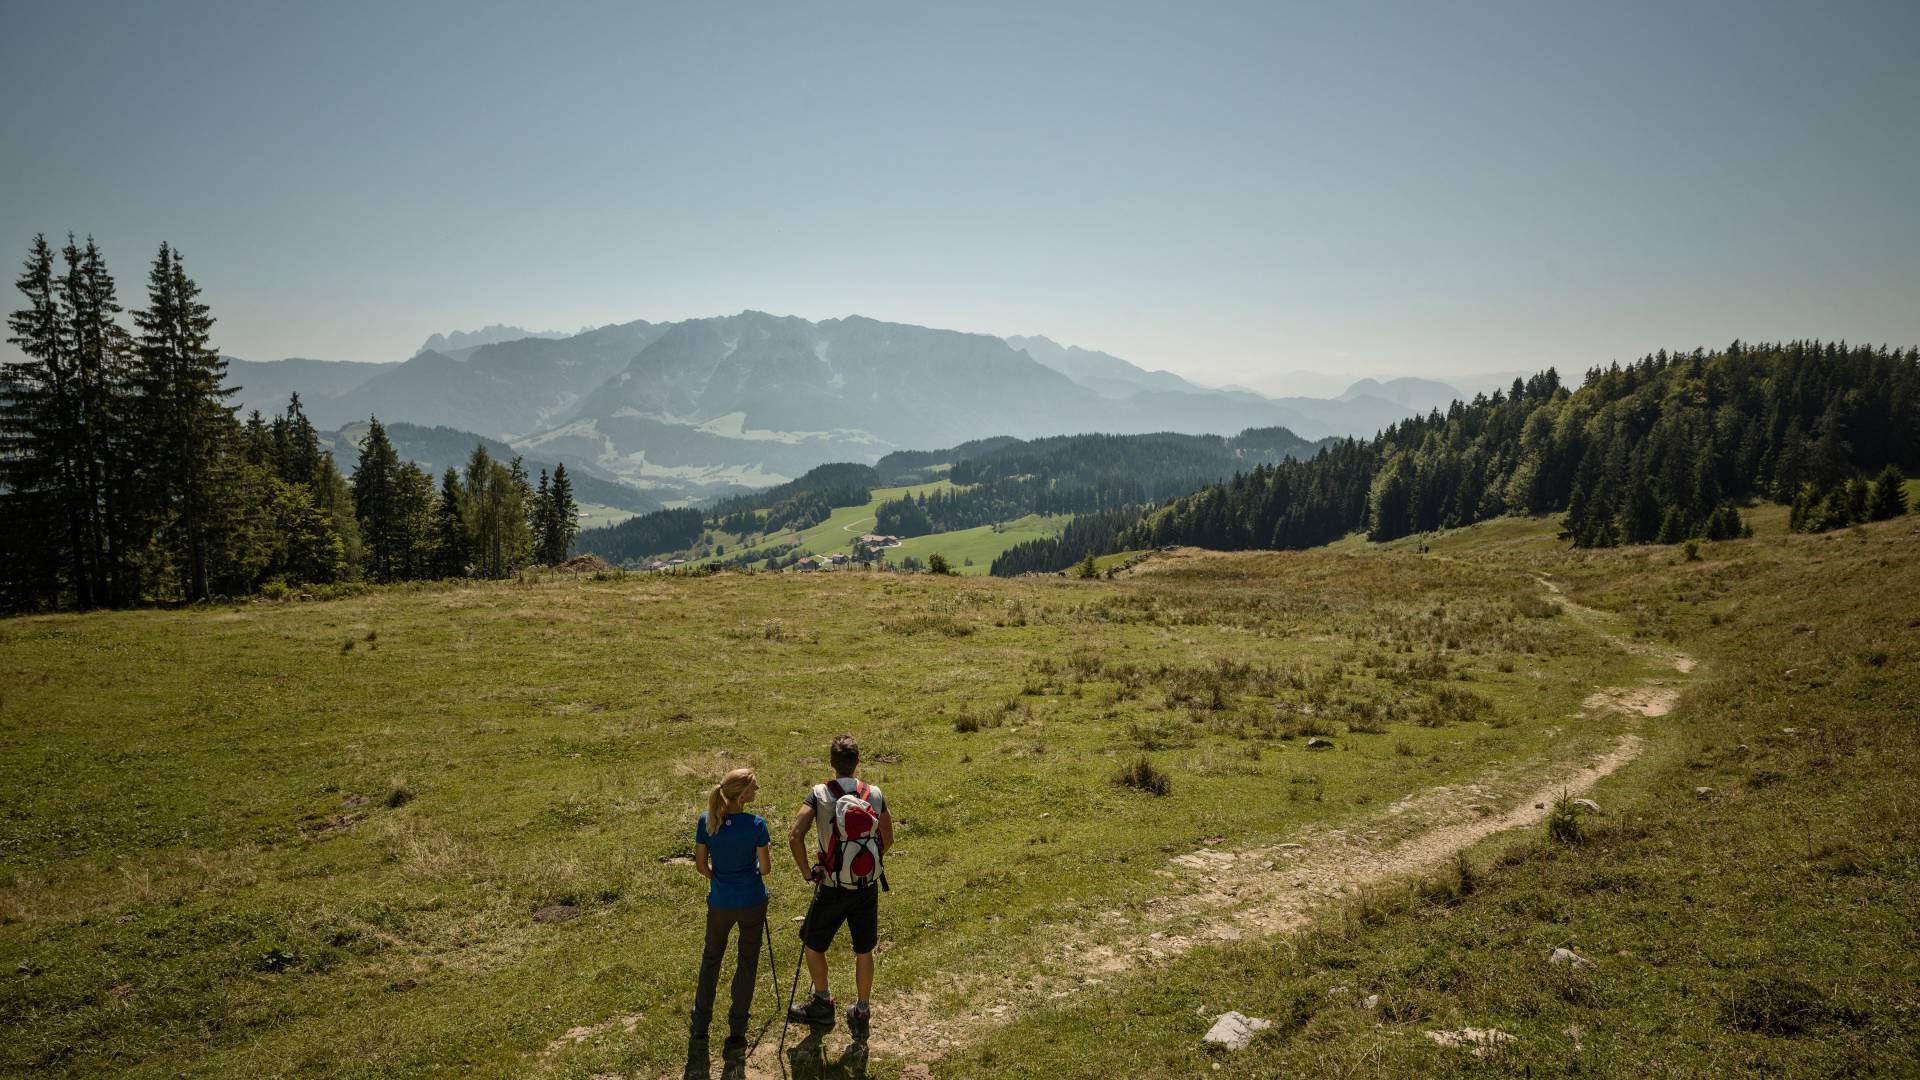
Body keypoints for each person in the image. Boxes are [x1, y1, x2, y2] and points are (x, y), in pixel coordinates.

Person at [786, 734, 893, 1040]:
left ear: (831, 764)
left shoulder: (819, 793)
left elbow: (795, 835)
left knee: (813, 943)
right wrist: (864, 863)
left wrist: (810, 873)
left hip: (831, 885)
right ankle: (861, 1010)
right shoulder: (874, 793)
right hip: (866, 886)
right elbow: (888, 836)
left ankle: (822, 1001)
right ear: (857, 761)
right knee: (864, 950)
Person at [691, 767, 772, 1051]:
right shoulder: (756, 825)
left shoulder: (706, 821)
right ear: (741, 795)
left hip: (720, 902)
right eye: (753, 788)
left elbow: (702, 866)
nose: (757, 791)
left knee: (711, 958)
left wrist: (720, 878)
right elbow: (766, 868)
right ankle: (737, 1030)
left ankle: (700, 1024)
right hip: (751, 900)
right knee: (747, 961)